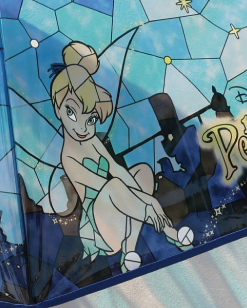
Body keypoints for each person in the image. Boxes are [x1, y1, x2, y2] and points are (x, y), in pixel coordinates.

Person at [49, 41, 192, 271]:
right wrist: (149, 206)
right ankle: (170, 232)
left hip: (121, 213)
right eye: (71, 112)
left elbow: (117, 171)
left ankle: (130, 251)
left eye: (91, 119)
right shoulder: (68, 156)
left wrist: (148, 201)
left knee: (142, 172)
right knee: (115, 186)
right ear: (58, 109)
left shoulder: (92, 141)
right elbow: (107, 186)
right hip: (101, 227)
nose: (83, 127)